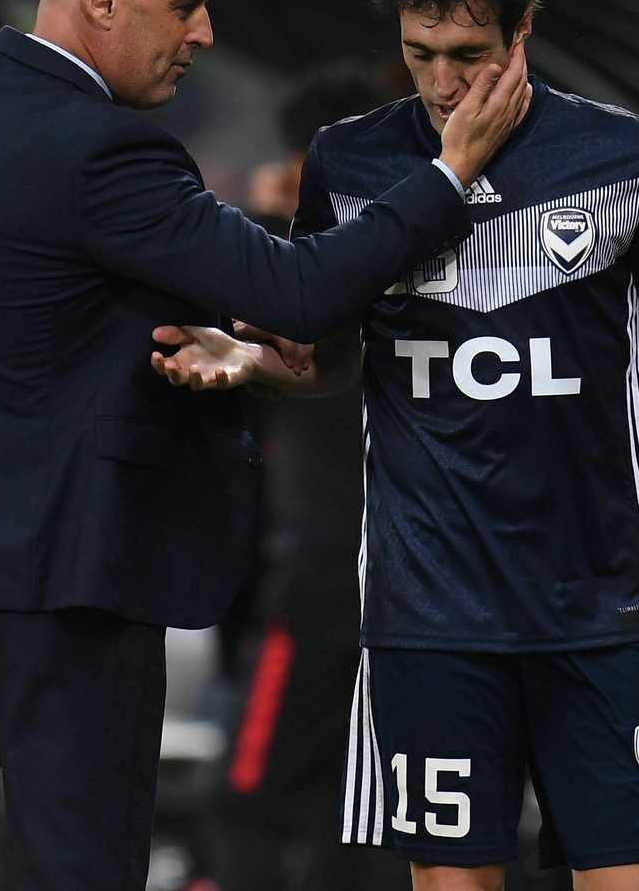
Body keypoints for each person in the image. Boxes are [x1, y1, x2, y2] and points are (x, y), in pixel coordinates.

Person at [0, 0, 529, 891]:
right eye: (185, 7)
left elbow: (39, 306)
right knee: (76, 870)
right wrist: (447, 173)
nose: (203, 33)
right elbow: (301, 288)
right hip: (66, 578)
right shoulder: (104, 150)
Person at [153, 0, 639, 891]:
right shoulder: (349, 166)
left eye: (467, 55)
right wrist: (261, 363)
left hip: (602, 608)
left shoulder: (625, 156)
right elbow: (339, 360)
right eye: (419, 54)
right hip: (428, 615)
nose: (442, 83)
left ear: (519, 40)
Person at [204, 66, 407, 891]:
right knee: (354, 819)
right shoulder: (435, 254)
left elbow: (223, 256)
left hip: (320, 589)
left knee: (241, 799)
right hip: (406, 592)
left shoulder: (309, 265)